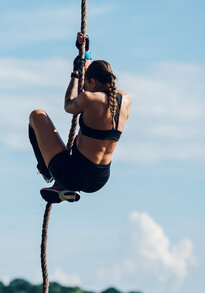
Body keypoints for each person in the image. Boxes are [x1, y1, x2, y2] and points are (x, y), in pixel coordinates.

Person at [28, 33, 131, 203]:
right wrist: (86, 54)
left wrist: (75, 73)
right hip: (99, 181)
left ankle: (48, 173)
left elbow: (69, 104)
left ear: (93, 83)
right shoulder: (126, 99)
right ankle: (62, 186)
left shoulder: (89, 99)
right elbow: (93, 82)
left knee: (36, 115)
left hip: (72, 175)